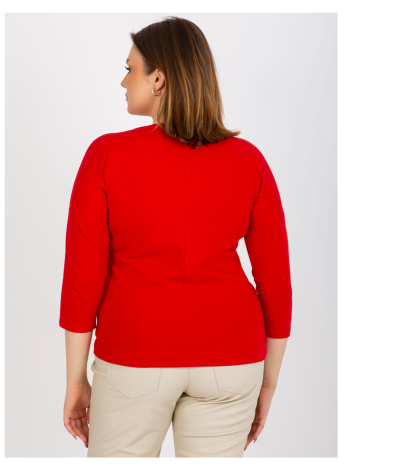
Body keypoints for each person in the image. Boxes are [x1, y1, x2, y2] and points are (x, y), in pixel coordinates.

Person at [59, 16, 292, 458]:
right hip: (232, 362)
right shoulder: (250, 162)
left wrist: (75, 381)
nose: (123, 81)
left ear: (159, 78)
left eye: (130, 69)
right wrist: (268, 383)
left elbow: (81, 282)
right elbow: (276, 285)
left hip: (134, 358)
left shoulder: (106, 156)